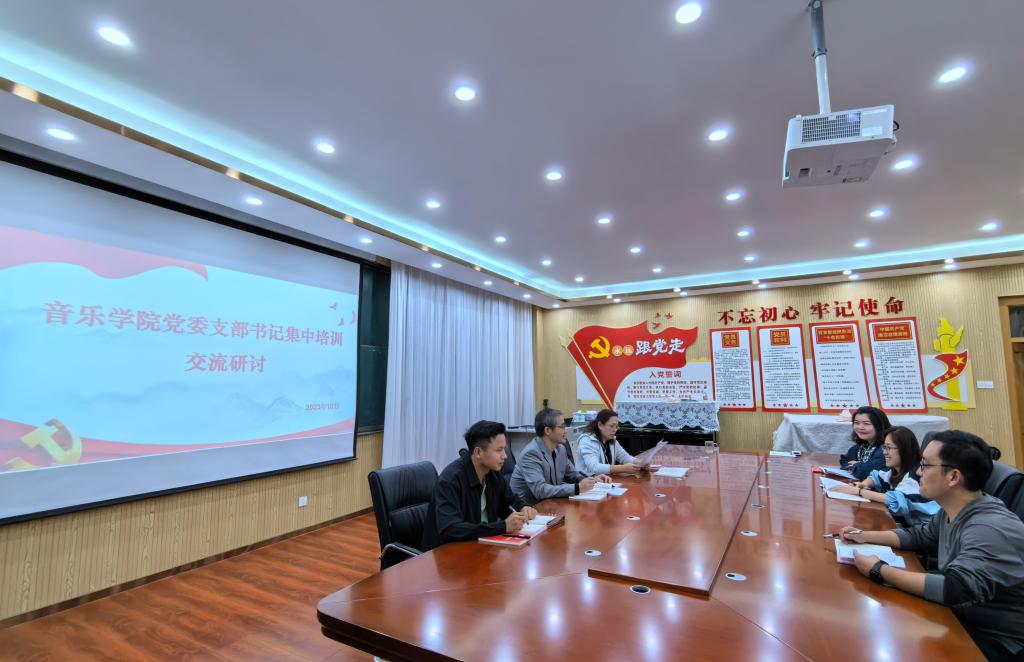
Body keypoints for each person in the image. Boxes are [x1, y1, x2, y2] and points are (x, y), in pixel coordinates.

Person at [840, 430, 1024, 661]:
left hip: (995, 641)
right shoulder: (953, 509)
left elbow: (955, 588)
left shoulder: (989, 527)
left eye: (925, 465)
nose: (918, 472)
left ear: (953, 477)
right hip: (960, 616)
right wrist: (864, 536)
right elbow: (920, 536)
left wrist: (879, 569)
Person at [421, 420, 538, 551]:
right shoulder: (450, 480)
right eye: (499, 450)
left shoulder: (492, 473)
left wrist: (523, 507)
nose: (505, 456)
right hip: (447, 553)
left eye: (504, 449)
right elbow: (451, 529)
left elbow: (509, 501)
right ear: (478, 453)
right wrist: (502, 526)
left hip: (482, 547)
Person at [832, 426, 939, 525]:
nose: (884, 452)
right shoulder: (895, 470)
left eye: (889, 448)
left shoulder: (915, 475)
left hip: (926, 530)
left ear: (904, 450)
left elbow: (895, 501)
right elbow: (876, 477)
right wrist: (864, 484)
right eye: (884, 447)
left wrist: (858, 491)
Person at [510, 407, 610, 506]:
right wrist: (577, 488)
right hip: (528, 509)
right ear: (548, 430)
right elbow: (540, 490)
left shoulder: (561, 449)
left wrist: (592, 478)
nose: (565, 431)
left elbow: (572, 474)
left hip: (551, 504)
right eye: (562, 427)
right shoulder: (531, 453)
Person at [577, 408, 648, 476]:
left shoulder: (611, 439)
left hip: (606, 481)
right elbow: (594, 467)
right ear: (600, 425)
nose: (615, 430)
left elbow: (624, 457)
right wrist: (622, 468)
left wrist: (641, 463)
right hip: (587, 481)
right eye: (611, 426)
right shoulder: (587, 440)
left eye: (616, 426)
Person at [838, 406, 891, 480]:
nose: (860, 427)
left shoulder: (887, 447)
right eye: (856, 423)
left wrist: (857, 465)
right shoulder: (863, 445)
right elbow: (844, 460)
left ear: (879, 426)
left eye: (866, 424)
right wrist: (859, 466)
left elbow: (864, 472)